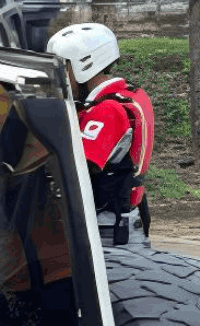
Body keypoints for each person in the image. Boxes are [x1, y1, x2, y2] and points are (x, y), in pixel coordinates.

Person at [45, 22, 154, 246]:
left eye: (63, 68)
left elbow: (75, 171)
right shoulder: (127, 93)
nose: (60, 76)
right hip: (120, 222)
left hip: (106, 231)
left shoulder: (106, 110)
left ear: (83, 65)